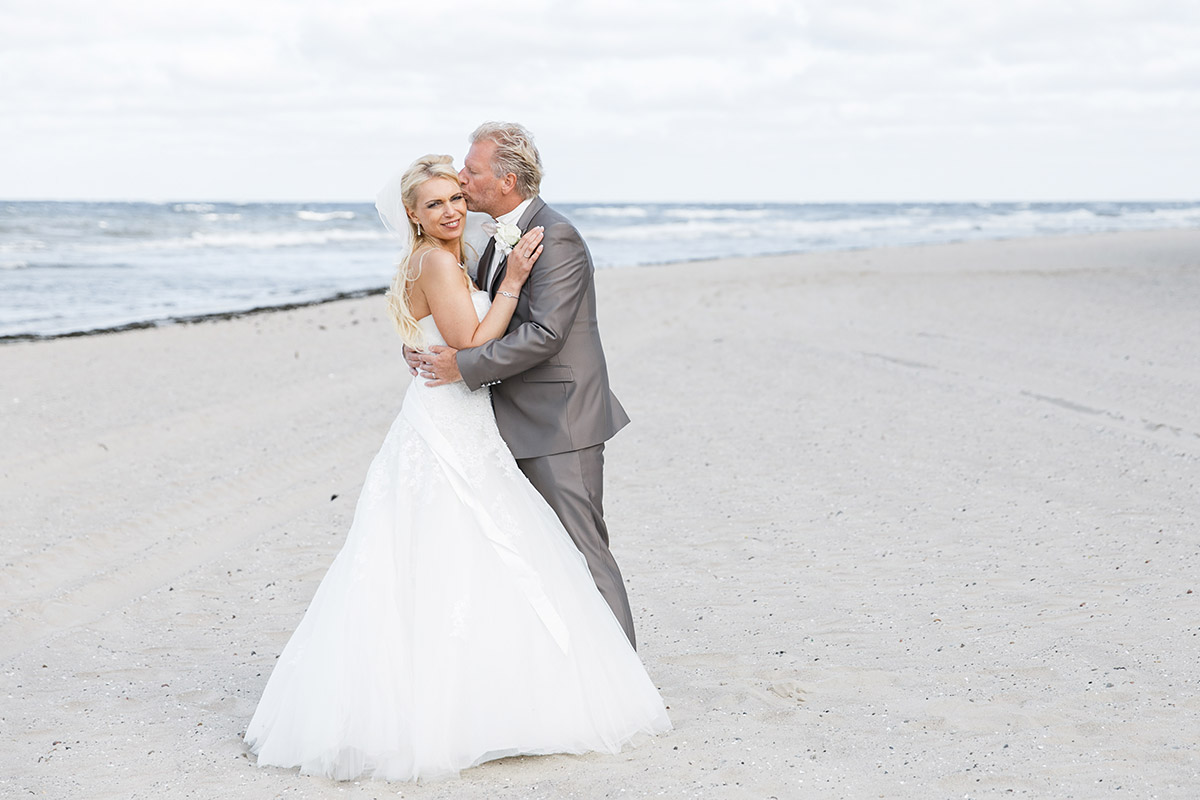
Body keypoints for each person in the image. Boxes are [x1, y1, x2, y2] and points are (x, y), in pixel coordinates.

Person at [243, 154, 670, 782]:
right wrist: (514, 285)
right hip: (449, 418)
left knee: (475, 543)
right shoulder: (441, 259)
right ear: (413, 217)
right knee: (463, 541)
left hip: (464, 413)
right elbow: (471, 342)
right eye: (436, 203)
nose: (452, 208)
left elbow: (455, 332)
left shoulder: (453, 253)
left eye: (456, 196)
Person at [412, 122, 638, 647]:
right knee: (544, 558)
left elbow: (546, 334)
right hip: (513, 419)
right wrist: (421, 343)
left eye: (471, 171)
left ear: (507, 180)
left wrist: (461, 369)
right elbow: (473, 316)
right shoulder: (493, 235)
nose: (461, 180)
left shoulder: (553, 234)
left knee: (584, 553)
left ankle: (624, 681)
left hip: (560, 422)